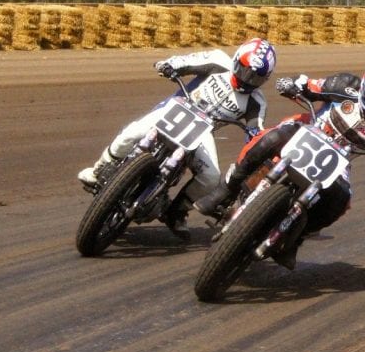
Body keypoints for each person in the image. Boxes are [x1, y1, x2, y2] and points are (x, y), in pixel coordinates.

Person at [193, 57, 365, 270]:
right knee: (271, 137)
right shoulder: (345, 85)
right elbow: (310, 85)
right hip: (305, 131)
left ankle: (295, 239)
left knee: (342, 199)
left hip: (336, 165)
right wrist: (294, 84)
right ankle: (226, 190)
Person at [77, 38, 277, 240]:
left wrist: (254, 137)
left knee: (211, 176)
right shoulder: (218, 61)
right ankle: (98, 169)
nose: (248, 79)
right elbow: (185, 61)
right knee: (132, 132)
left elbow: (256, 133)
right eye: (245, 71)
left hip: (202, 132)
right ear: (236, 60)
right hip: (174, 109)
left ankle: (177, 212)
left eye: (256, 78)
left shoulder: (256, 102)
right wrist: (168, 65)